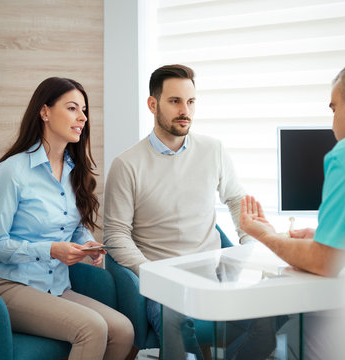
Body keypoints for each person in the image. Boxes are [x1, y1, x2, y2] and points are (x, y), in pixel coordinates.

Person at [104, 64, 282, 359]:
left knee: (265, 322)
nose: (184, 110)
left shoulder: (213, 150)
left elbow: (236, 200)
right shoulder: (127, 165)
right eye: (174, 101)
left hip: (214, 273)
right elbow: (115, 235)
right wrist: (154, 272)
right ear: (153, 104)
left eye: (190, 102)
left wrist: (248, 243)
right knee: (176, 321)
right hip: (164, 282)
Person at [240, 58, 345, 359]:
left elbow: (325, 262)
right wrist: (325, 234)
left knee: (298, 332)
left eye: (333, 108)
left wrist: (266, 235)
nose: (332, 122)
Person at [0, 77, 134, 360]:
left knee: (123, 330)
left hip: (56, 287)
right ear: (45, 112)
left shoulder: (75, 171)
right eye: (73, 108)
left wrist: (87, 244)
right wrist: (51, 250)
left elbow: (72, 229)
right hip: (10, 286)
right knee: (93, 329)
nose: (83, 117)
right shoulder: (12, 171)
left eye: (84, 110)